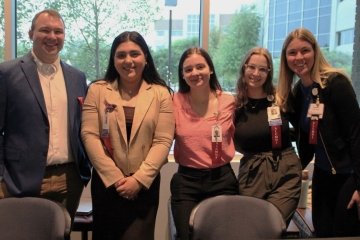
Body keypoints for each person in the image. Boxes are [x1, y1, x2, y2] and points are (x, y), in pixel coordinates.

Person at [0, 9, 91, 224]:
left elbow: (82, 126)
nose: (52, 37)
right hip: (20, 180)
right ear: (31, 33)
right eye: (45, 30)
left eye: (58, 31)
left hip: (69, 180)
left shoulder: (77, 77)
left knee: (61, 234)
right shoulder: (7, 73)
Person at [81, 31, 175, 240]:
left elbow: (163, 140)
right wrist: (115, 178)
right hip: (107, 185)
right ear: (113, 60)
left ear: (146, 58)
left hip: (144, 186)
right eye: (121, 55)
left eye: (135, 54)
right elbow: (89, 135)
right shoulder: (97, 91)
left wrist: (139, 180)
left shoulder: (161, 94)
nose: (128, 60)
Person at [277, 27, 360, 237]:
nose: (299, 57)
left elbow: (356, 134)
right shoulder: (298, 93)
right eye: (292, 53)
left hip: (348, 175)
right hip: (322, 175)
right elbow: (303, 138)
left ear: (315, 51)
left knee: (342, 232)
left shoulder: (336, 84)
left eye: (305, 50)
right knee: (322, 231)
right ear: (286, 58)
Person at [171, 47, 239, 240]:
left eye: (200, 66)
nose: (195, 73)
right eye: (188, 69)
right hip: (186, 182)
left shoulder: (228, 101)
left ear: (210, 69)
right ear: (182, 75)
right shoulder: (173, 101)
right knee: (186, 236)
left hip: (222, 179)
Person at [233, 47, 302, 225]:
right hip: (252, 173)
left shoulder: (282, 98)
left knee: (273, 226)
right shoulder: (234, 105)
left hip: (285, 171)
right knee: (251, 228)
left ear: (269, 72)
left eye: (263, 69)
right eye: (252, 67)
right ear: (244, 68)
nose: (256, 73)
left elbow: (303, 128)